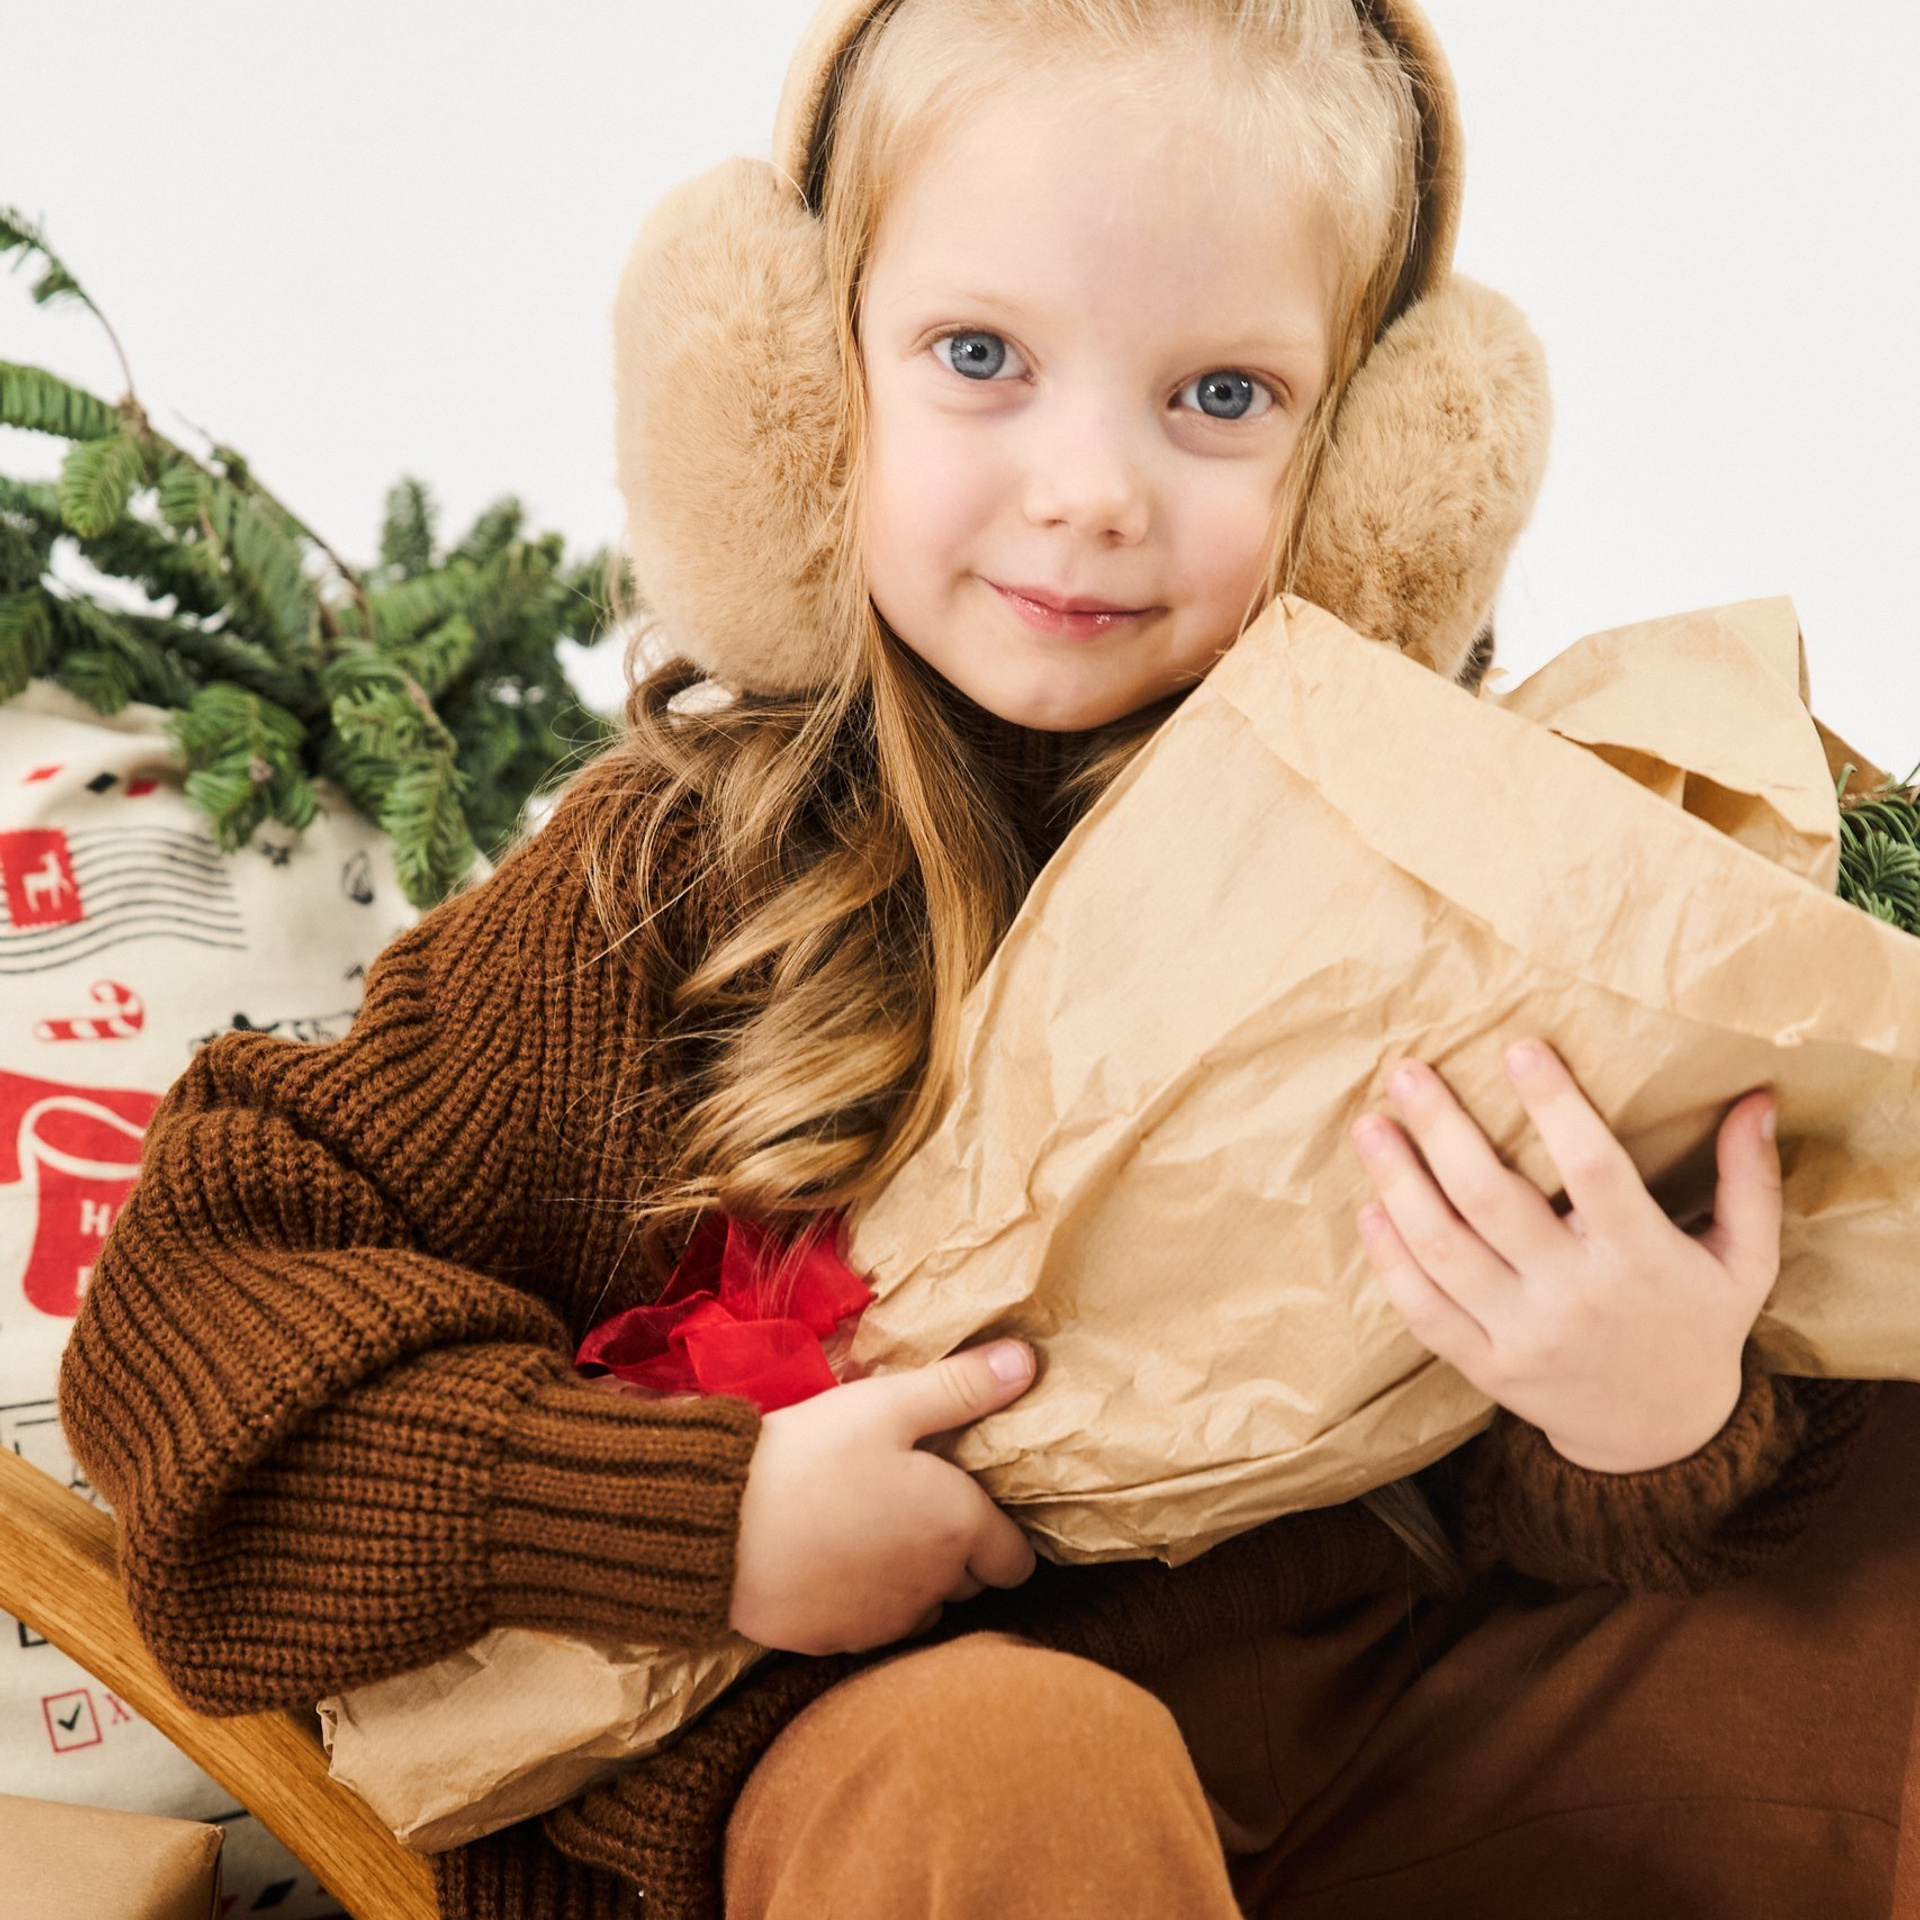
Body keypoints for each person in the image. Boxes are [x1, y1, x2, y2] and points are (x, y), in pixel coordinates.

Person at [58, 2, 1917, 1917]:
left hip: (1363, 1748)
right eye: (979, 359)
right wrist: (712, 1521)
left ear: (1370, 460)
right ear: (804, 387)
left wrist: (1648, 1414)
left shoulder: (1438, 877)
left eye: (1222, 396)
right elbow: (193, 1323)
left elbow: (1484, 1480)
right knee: (1016, 1760)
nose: (1093, 488)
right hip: (895, 1791)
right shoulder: (671, 883)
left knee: (1880, 1489)